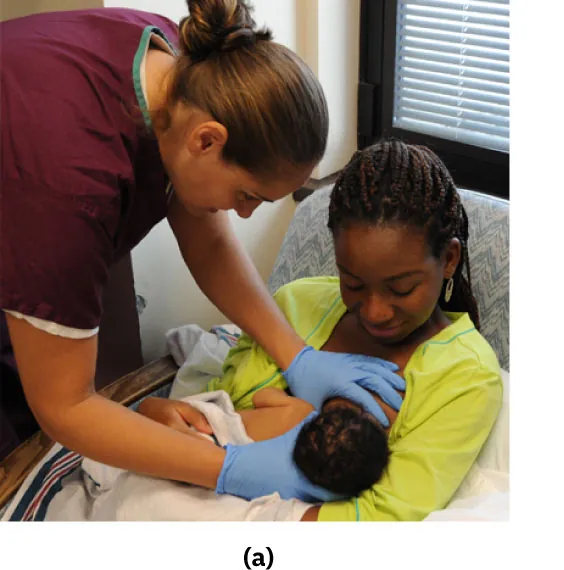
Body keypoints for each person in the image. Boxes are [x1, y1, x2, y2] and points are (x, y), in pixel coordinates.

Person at [0, 1, 405, 502]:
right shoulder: (68, 185)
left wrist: (296, 355)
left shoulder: (192, 68)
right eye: (247, 195)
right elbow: (66, 407)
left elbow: (207, 239)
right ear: (207, 141)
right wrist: (229, 469)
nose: (246, 215)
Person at [209, 139, 504, 521]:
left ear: (448, 259)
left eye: (402, 288)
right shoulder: (293, 304)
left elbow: (388, 514)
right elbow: (222, 404)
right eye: (353, 284)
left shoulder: (464, 375)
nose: (376, 312)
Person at [138, 386, 392, 497]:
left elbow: (261, 396)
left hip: (207, 429)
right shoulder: (291, 492)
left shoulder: (300, 411)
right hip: (201, 447)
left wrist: (282, 393)